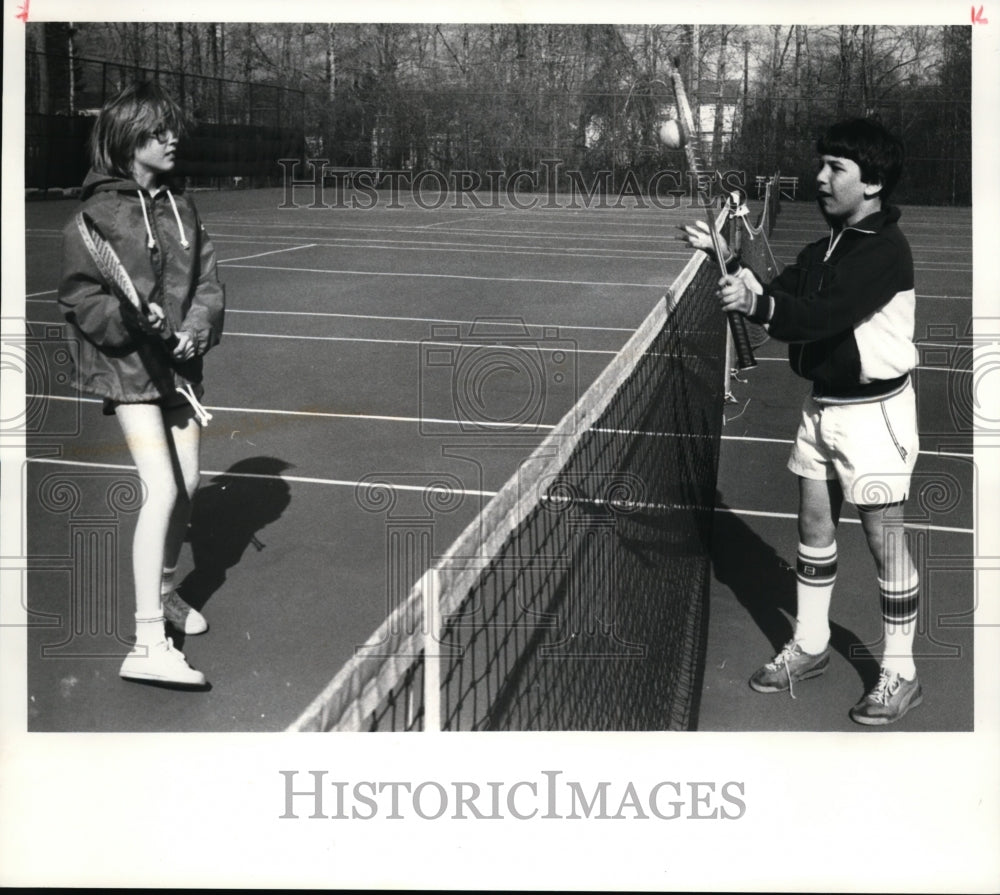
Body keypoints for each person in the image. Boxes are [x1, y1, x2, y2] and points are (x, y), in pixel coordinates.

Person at [680, 118, 921, 725]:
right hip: (822, 408)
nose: (820, 177)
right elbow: (786, 285)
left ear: (872, 185)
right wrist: (727, 254)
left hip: (876, 416)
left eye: (836, 168)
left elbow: (818, 314)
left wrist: (758, 304)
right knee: (814, 525)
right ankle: (811, 644)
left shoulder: (884, 253)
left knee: (881, 537)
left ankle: (901, 670)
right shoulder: (828, 246)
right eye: (823, 164)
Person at [58, 82, 226, 688]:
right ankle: (147, 640)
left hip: (177, 369)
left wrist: (196, 328)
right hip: (127, 372)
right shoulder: (96, 216)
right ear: (131, 141)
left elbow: (207, 283)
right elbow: (81, 297)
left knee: (188, 484)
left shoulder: (185, 209)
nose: (172, 138)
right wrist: (131, 318)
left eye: (173, 128)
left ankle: (165, 589)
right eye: (159, 132)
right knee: (159, 488)